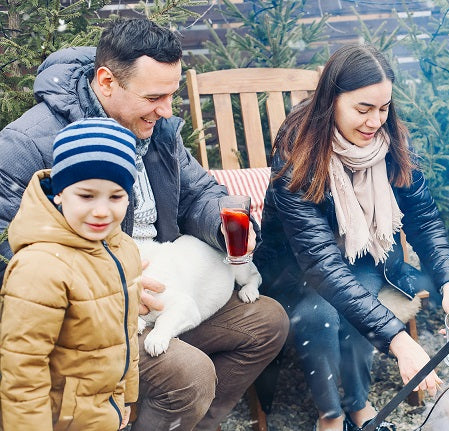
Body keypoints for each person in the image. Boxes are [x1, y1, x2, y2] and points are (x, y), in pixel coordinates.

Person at [0, 18, 289, 430]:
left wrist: (226, 225)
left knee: (267, 322)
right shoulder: (27, 145)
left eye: (171, 95)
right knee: (189, 375)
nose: (167, 110)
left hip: (168, 291)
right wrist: (116, 291)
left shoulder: (158, 128)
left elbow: (197, 194)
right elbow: (10, 256)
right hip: (94, 316)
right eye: (155, 96)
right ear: (106, 82)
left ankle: (191, 423)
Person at [253, 44, 449, 431]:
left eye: (383, 108)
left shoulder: (393, 142)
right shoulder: (297, 150)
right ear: (331, 100)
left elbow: (425, 220)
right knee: (319, 312)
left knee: (360, 306)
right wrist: (400, 342)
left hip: (364, 258)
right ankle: (331, 416)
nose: (374, 122)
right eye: (363, 109)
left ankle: (357, 406)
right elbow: (321, 266)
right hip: (296, 267)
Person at [0, 118, 141, 430]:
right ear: (60, 193)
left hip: (103, 413)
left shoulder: (123, 249)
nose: (102, 210)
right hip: (60, 420)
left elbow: (125, 337)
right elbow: (22, 372)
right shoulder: (40, 267)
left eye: (115, 196)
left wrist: (125, 396)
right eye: (87, 196)